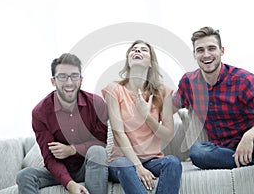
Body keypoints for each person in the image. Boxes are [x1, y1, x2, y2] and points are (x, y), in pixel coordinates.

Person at [172, 26, 254, 194]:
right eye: (200, 50)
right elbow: (169, 107)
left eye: (211, 48)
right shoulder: (189, 82)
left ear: (221, 51)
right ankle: (252, 160)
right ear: (194, 55)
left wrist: (250, 135)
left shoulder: (243, 79)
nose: (206, 54)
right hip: (224, 151)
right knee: (197, 152)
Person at [16, 53, 109, 194]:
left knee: (97, 151)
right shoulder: (40, 113)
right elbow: (49, 158)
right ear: (53, 81)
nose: (69, 82)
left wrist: (72, 150)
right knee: (25, 175)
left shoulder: (97, 104)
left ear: (81, 79)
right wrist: (70, 184)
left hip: (88, 167)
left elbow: (100, 143)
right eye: (62, 76)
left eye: (74, 76)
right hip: (59, 171)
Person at [102, 40, 182, 194]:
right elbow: (118, 134)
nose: (137, 51)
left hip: (152, 160)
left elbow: (167, 134)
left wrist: (147, 115)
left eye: (143, 50)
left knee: (173, 162)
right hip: (122, 161)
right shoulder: (115, 89)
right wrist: (137, 166)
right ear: (128, 60)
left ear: (151, 62)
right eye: (134, 50)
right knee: (125, 165)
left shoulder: (163, 92)